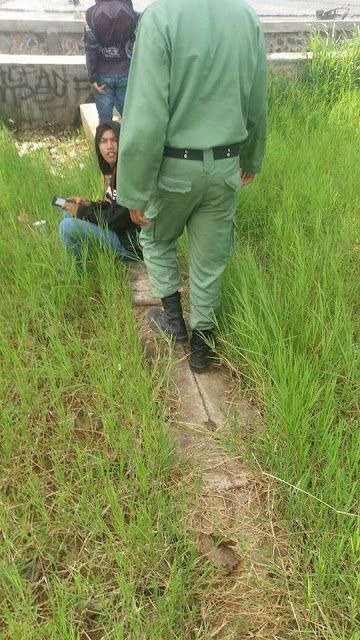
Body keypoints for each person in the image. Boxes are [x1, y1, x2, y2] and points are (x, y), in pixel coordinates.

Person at [116, 0, 268, 372]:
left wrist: (132, 189)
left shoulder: (161, 16)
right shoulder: (246, 15)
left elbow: (145, 113)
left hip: (174, 168)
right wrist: (251, 156)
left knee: (155, 237)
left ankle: (174, 323)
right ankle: (202, 348)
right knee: (209, 261)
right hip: (226, 166)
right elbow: (257, 97)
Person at [59, 120, 142, 267]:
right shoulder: (117, 168)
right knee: (68, 213)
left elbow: (117, 219)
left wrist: (82, 211)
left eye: (114, 140)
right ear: (98, 146)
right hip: (120, 232)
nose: (110, 146)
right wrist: (91, 204)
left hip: (130, 244)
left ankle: (76, 276)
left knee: (67, 227)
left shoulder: (128, 172)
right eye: (104, 141)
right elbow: (114, 206)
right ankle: (81, 262)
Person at [84, 0, 137, 122]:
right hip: (125, 73)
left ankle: (106, 140)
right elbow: (135, 39)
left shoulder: (91, 13)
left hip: (103, 74)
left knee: (105, 122)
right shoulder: (129, 9)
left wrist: (92, 77)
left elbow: (90, 48)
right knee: (130, 120)